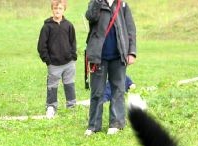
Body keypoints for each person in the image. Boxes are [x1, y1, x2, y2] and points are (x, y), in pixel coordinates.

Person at [84, 0, 136, 136]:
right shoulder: (96, 3)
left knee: (118, 89)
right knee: (97, 92)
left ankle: (116, 123)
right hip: (98, 55)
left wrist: (131, 52)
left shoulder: (122, 5)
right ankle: (93, 125)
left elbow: (130, 30)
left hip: (118, 55)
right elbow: (90, 16)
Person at [37, 0, 77, 119]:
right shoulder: (46, 27)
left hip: (68, 63)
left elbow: (73, 42)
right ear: (52, 10)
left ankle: (71, 106)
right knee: (52, 85)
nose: (57, 11)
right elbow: (41, 46)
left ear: (64, 10)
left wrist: (73, 56)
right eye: (55, 8)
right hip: (54, 64)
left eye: (60, 8)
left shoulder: (68, 25)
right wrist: (47, 60)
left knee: (69, 84)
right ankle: (51, 107)